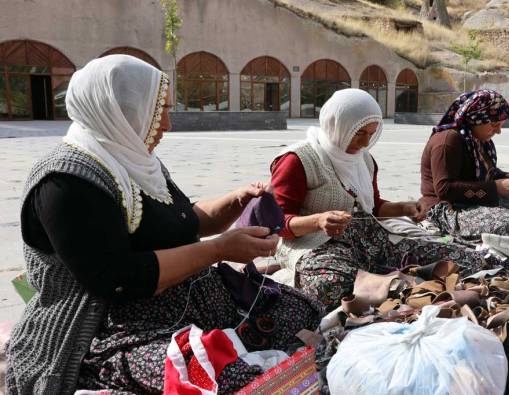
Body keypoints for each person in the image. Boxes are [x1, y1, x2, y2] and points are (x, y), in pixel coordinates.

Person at [5, 55, 323, 394]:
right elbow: (120, 279)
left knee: (301, 310)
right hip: (115, 324)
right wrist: (219, 249)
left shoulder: (135, 160)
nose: (167, 124)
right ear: (120, 111)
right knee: (220, 378)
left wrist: (236, 200)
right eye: (159, 111)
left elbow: (182, 220)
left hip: (186, 299)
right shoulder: (66, 183)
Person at [270, 88, 493, 310]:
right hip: (316, 246)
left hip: (369, 241)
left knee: (463, 260)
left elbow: (374, 206)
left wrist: (405, 208)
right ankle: (389, 283)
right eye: (358, 133)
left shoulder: (364, 160)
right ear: (337, 124)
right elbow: (278, 223)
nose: (365, 142)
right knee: (334, 287)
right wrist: (318, 221)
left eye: (371, 133)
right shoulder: (298, 160)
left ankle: (386, 282)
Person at [419, 89, 509, 240]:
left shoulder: (479, 140)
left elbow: (484, 172)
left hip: (472, 203)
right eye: (494, 124)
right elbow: (445, 190)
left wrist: (506, 177)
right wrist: (496, 188)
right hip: (446, 209)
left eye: (501, 125)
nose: (498, 131)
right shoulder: (447, 141)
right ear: (475, 118)